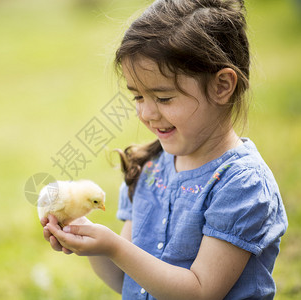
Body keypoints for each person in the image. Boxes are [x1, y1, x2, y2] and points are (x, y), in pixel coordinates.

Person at [40, 0, 288, 299]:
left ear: (222, 86)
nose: (146, 113)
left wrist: (115, 247)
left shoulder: (241, 184)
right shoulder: (150, 166)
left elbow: (200, 292)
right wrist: (87, 238)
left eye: (164, 98)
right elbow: (127, 280)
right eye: (138, 97)